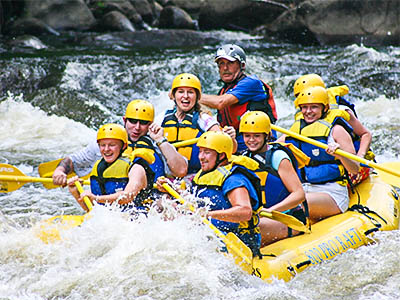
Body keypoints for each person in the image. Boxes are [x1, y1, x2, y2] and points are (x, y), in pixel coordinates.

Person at [53, 99, 188, 186]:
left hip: (149, 205)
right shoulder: (108, 144)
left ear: (151, 124)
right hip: (113, 203)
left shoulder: (157, 144)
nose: (137, 127)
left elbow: (181, 171)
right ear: (124, 121)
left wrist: (161, 140)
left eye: (143, 123)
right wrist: (60, 171)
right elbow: (72, 160)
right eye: (133, 121)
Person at [284, 86, 360, 223]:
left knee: (295, 205)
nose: (308, 111)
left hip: (332, 192)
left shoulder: (337, 131)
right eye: (304, 107)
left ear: (324, 108)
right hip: (303, 189)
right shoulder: (296, 130)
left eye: (314, 107)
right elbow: (270, 148)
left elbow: (355, 169)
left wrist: (341, 155)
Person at [239, 111, 309, 246]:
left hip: (288, 218)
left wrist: (271, 211)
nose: (251, 140)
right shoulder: (245, 158)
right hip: (262, 217)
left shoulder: (278, 157)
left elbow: (299, 194)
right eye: (247, 136)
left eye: (257, 136)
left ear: (267, 136)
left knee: (249, 229)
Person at [292, 73, 373, 185]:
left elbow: (366, 134)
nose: (303, 98)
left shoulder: (341, 111)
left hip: (351, 158)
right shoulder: (305, 113)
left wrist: (360, 157)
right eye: (298, 96)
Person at [191, 131, 262, 256]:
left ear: (222, 156)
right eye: (200, 151)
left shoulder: (234, 180)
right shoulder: (204, 174)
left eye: (207, 152)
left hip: (238, 241)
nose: (201, 157)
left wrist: (208, 215)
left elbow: (245, 212)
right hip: (214, 233)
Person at [199, 44, 277, 152]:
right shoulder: (223, 91)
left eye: (230, 63)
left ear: (242, 65)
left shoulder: (251, 83)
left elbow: (220, 102)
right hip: (236, 142)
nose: (225, 68)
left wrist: (191, 94)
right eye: (221, 63)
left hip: (259, 142)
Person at [67, 123, 154, 214]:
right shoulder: (98, 168)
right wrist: (75, 192)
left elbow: (128, 196)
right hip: (112, 221)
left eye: (112, 145)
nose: (106, 149)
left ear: (123, 146)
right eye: (103, 145)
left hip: (138, 219)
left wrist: (97, 198)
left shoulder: (136, 168)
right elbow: (92, 211)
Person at [161, 72, 237, 175]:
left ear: (197, 97)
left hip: (194, 176)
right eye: (181, 92)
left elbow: (231, 148)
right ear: (173, 95)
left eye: (191, 92)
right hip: (165, 178)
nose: (185, 96)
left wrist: (231, 137)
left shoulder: (204, 119)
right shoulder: (162, 118)